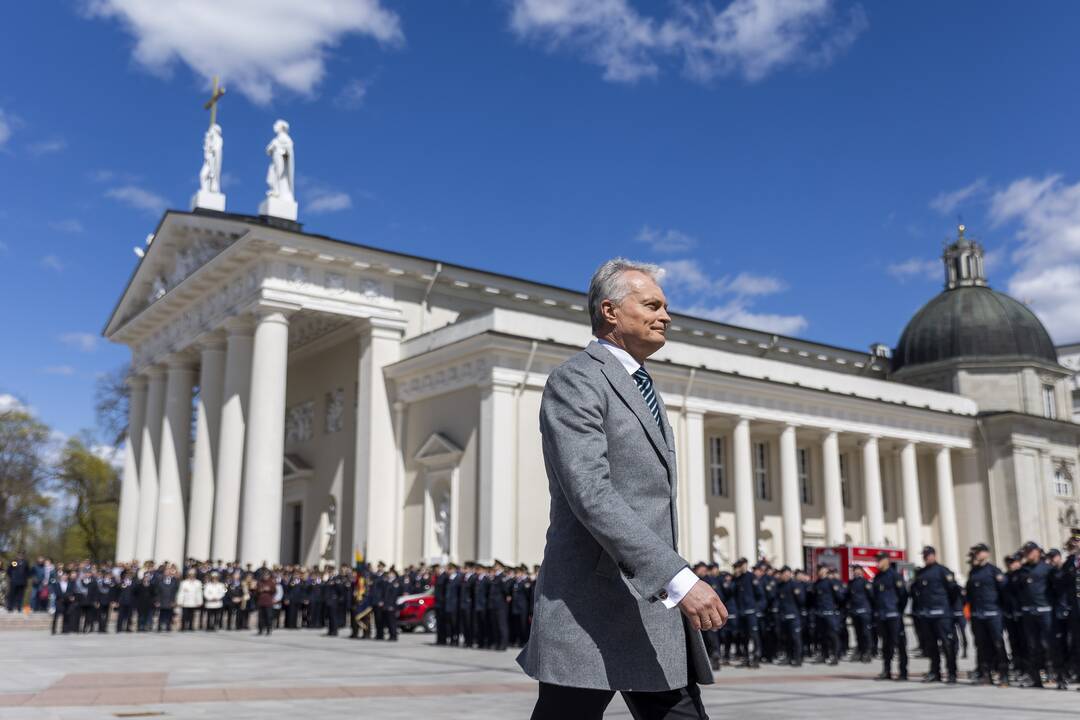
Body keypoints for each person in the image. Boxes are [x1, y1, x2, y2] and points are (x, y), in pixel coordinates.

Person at [518, 259, 724, 720]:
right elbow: (591, 492)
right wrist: (679, 577)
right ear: (610, 311)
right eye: (652, 304)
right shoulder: (577, 379)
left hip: (648, 613)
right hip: (591, 610)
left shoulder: (642, 385)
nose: (666, 316)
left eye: (666, 306)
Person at [911, 546, 960, 683]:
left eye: (928, 555)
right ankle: (935, 672)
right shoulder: (921, 573)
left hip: (942, 614)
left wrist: (948, 609)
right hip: (927, 615)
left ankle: (951, 673)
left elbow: (953, 591)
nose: (926, 557)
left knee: (947, 644)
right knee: (931, 646)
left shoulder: (942, 571)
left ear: (934, 555)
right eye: (924, 555)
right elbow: (916, 593)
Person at [965, 543, 1008, 685]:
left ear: (986, 554)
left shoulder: (994, 571)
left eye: (979, 552)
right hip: (978, 614)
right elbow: (969, 594)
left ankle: (1003, 674)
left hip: (993, 613)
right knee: (981, 645)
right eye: (975, 552)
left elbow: (1004, 592)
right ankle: (985, 674)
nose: (976, 555)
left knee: (998, 644)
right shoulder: (973, 572)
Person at [871, 551, 908, 681]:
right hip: (882, 616)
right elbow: (874, 596)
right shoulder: (877, 577)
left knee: (899, 644)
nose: (878, 562)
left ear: (887, 560)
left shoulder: (895, 576)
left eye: (880, 560)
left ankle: (903, 672)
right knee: (885, 645)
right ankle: (887, 671)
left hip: (894, 616)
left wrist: (898, 611)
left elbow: (903, 595)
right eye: (877, 560)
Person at [255, 569, 276, 635]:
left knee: (268, 616)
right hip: (261, 602)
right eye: (264, 575)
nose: (265, 576)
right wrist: (260, 590)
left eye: (267, 575)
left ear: (269, 576)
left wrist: (269, 589)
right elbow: (256, 591)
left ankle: (268, 630)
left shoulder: (271, 582)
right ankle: (260, 630)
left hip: (268, 602)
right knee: (261, 617)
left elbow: (274, 590)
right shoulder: (260, 582)